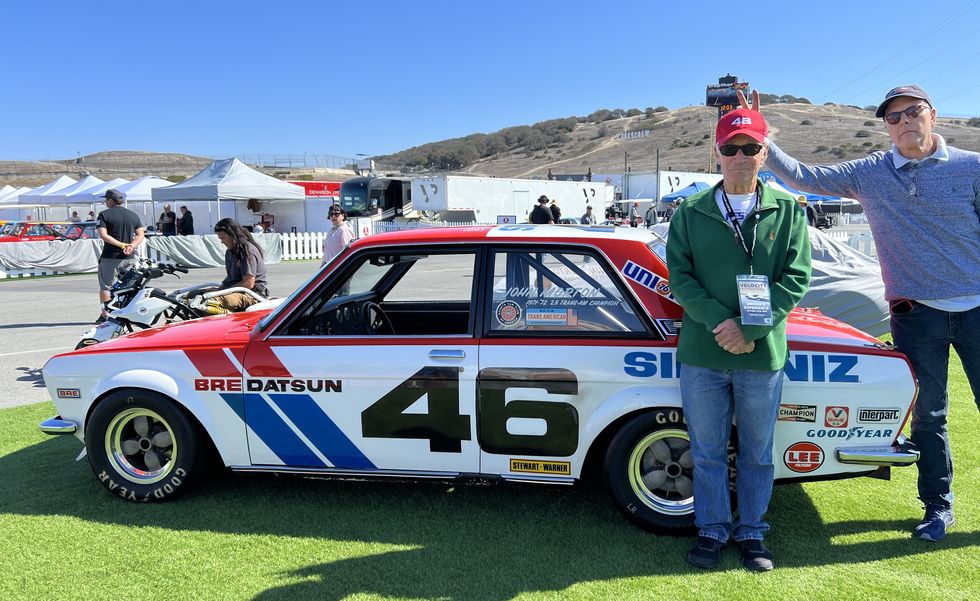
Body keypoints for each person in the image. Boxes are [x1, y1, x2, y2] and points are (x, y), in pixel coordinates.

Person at [755, 84, 980, 542]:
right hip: (917, 315)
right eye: (893, 118)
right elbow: (803, 177)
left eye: (912, 113)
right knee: (928, 415)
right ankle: (938, 508)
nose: (903, 124)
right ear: (886, 127)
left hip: (978, 307)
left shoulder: (971, 167)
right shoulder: (870, 172)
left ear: (932, 115)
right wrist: (761, 135)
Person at [666, 107, 811, 572]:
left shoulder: (787, 210)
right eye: (731, 148)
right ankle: (711, 530)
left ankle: (752, 532)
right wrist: (721, 324)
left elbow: (796, 278)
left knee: (756, 450)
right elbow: (681, 280)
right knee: (705, 450)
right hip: (703, 352)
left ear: (764, 153)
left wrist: (748, 329)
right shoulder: (690, 212)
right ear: (717, 153)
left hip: (760, 353)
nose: (740, 157)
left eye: (750, 148)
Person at [96, 189, 145, 323]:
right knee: (129, 286)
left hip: (110, 256)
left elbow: (103, 235)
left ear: (111, 200)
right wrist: (131, 246)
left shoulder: (104, 215)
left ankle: (106, 315)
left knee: (106, 287)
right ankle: (128, 312)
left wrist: (121, 245)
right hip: (130, 256)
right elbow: (140, 234)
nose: (105, 202)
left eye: (106, 200)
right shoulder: (132, 215)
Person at [211, 218, 268, 313]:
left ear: (233, 235)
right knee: (195, 296)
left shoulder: (247, 251)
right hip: (237, 292)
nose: (222, 242)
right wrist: (219, 289)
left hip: (252, 295)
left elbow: (248, 283)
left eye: (223, 238)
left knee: (210, 302)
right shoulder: (230, 251)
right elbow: (233, 278)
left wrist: (222, 291)